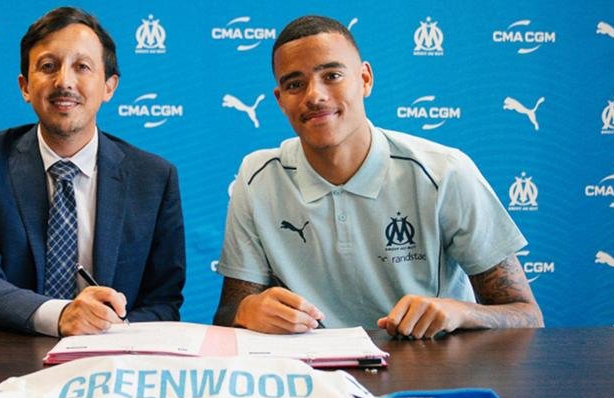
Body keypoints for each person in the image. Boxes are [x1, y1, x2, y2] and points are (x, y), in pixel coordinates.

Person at [214, 15, 543, 339]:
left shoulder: (444, 171)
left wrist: (459, 312)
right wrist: (247, 310)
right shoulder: (256, 177)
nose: (314, 95)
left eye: (332, 75)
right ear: (280, 100)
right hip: (308, 370)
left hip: (428, 366)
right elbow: (228, 315)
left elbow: (527, 315)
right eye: (295, 84)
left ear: (365, 79)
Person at [0, 7, 185, 336]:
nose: (64, 82)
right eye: (48, 66)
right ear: (25, 86)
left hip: (110, 357)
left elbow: (163, 303)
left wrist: (106, 329)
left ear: (109, 86)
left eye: (82, 67)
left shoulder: (154, 179)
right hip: (7, 353)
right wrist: (61, 315)